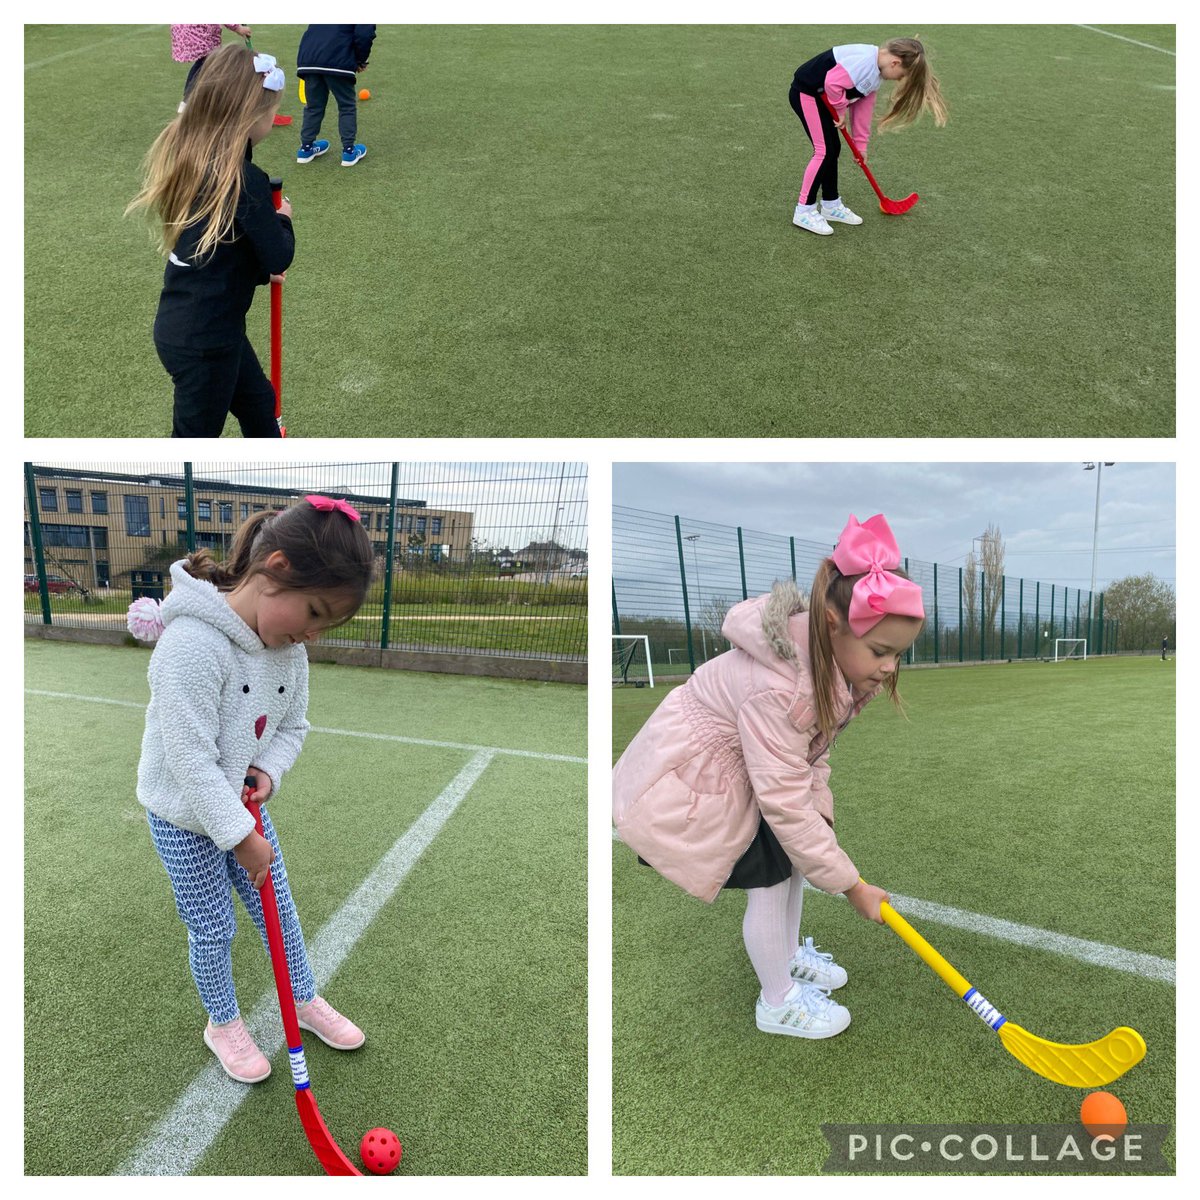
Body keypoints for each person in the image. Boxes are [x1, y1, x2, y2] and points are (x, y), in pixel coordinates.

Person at [613, 514, 925, 1040]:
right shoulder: (780, 689)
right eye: (880, 651)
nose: (890, 667)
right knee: (771, 878)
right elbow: (782, 796)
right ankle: (777, 1002)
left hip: (754, 765)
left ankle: (786, 956)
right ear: (831, 625)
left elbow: (810, 754)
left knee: (793, 862)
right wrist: (851, 886)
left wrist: (820, 820)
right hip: (704, 773)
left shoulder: (829, 671)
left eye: (898, 654)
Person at [127, 496, 375, 1083]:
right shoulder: (191, 644)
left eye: (325, 625)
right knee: (213, 926)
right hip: (184, 816)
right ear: (277, 569)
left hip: (240, 808)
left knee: (278, 913)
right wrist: (240, 837)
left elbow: (292, 725)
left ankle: (303, 998)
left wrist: (268, 770)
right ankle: (222, 1023)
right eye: (312, 612)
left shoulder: (289, 650)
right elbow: (188, 756)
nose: (311, 634)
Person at [127, 43, 295, 438]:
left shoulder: (195, 162)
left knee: (258, 402)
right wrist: (282, 220)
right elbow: (278, 255)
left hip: (204, 327)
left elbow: (220, 252)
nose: (273, 121)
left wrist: (257, 273)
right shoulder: (243, 181)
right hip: (205, 343)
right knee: (195, 436)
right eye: (270, 114)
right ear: (249, 119)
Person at [788, 38, 947, 235]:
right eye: (901, 76)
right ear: (895, 63)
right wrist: (840, 110)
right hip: (808, 93)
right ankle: (804, 210)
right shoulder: (864, 61)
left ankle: (830, 204)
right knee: (824, 151)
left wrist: (861, 145)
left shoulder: (876, 75)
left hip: (823, 98)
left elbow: (863, 108)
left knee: (833, 149)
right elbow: (832, 82)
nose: (897, 80)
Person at [295, 25, 377, 167]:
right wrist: (360, 60)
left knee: (313, 106)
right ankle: (349, 152)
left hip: (309, 59)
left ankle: (306, 148)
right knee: (346, 106)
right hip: (337, 59)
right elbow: (364, 35)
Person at [169, 24, 253, 109]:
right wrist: (238, 28)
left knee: (206, 62)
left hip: (195, 29)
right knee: (207, 62)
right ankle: (188, 101)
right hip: (198, 31)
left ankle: (192, 100)